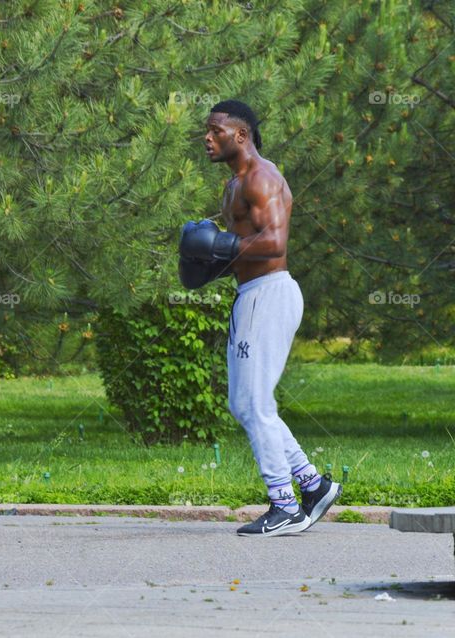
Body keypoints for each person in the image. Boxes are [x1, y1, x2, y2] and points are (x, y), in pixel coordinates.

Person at [179, 100, 342, 537]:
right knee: (243, 404)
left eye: (215, 130)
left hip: (269, 294)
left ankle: (284, 505)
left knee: (255, 404)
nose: (207, 138)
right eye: (206, 130)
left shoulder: (262, 177)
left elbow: (273, 243)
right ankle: (313, 485)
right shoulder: (232, 186)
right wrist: (207, 262)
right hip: (251, 295)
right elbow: (242, 249)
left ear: (241, 135)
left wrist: (219, 246)